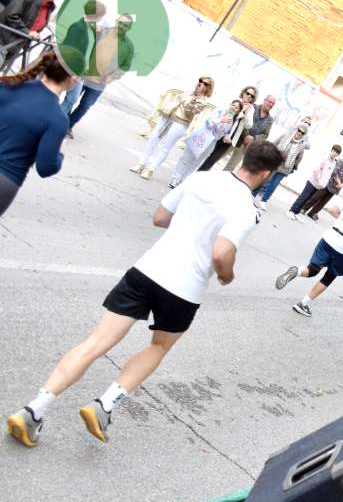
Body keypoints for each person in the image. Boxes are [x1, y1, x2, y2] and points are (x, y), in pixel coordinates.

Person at [6, 141, 284, 447]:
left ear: (245, 159)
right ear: (267, 175)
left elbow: (160, 217)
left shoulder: (201, 178)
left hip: (148, 269)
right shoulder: (247, 208)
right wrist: (226, 275)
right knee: (158, 347)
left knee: (96, 342)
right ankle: (104, 405)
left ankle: (34, 408)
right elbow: (221, 253)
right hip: (183, 289)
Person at [275, 184, 343, 317]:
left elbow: (332, 209)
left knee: (312, 269)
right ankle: (302, 304)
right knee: (328, 278)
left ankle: (296, 271)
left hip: (329, 237)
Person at [0, 52, 74, 217]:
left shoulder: (10, 83)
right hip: (6, 178)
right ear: (73, 80)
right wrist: (60, 154)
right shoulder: (57, 118)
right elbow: (46, 168)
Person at [60, 11, 135, 136]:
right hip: (84, 75)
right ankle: (61, 123)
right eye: (120, 23)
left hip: (100, 82)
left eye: (125, 25)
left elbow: (126, 65)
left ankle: (69, 125)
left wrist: (114, 76)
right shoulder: (101, 31)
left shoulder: (128, 46)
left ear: (129, 28)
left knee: (85, 106)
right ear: (116, 21)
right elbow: (86, 29)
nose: (122, 26)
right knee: (71, 99)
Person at [131, 77, 214, 180]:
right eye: (200, 81)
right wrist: (189, 96)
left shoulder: (203, 102)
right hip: (167, 116)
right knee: (153, 139)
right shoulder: (189, 92)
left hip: (180, 123)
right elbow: (177, 99)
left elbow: (189, 112)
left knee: (165, 147)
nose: (201, 84)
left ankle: (151, 169)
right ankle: (141, 164)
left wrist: (193, 101)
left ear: (208, 88)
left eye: (205, 84)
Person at [168, 99, 242, 188]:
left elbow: (224, 132)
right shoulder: (219, 111)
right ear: (230, 104)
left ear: (238, 111)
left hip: (211, 143)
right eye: (233, 105)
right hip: (201, 137)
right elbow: (208, 123)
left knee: (196, 162)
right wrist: (221, 120)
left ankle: (183, 181)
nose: (234, 108)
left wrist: (226, 136)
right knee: (186, 158)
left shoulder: (231, 121)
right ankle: (175, 178)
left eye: (237, 108)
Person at [1, 0, 63, 71]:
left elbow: (37, 23)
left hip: (18, 44)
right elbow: (11, 15)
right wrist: (28, 32)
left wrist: (35, 34)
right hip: (4, 39)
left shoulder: (51, 7)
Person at [196, 86, 257, 172]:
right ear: (243, 92)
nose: (249, 96)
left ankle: (199, 175)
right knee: (202, 153)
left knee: (212, 159)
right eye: (248, 93)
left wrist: (244, 112)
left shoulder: (250, 109)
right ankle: (189, 172)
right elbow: (222, 112)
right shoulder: (235, 101)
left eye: (252, 96)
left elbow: (248, 125)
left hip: (228, 138)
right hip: (217, 132)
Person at [256, 121, 309, 206]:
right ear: (296, 129)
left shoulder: (301, 146)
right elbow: (273, 144)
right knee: (265, 179)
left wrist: (293, 166)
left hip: (285, 167)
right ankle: (253, 194)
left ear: (303, 135)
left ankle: (264, 201)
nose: (299, 133)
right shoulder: (285, 136)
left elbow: (298, 159)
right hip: (274, 162)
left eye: (302, 133)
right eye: (299, 130)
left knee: (273, 185)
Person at [221, 94, 275, 171]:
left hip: (246, 146)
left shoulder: (270, 120)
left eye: (273, 103)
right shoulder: (252, 107)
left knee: (231, 167)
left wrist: (254, 138)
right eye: (270, 102)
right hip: (236, 138)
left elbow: (265, 134)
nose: (271, 104)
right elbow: (242, 120)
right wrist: (247, 135)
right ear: (264, 100)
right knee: (219, 156)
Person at [289, 144, 340, 220]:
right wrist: (319, 180)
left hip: (319, 185)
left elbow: (328, 174)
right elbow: (316, 170)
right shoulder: (325, 158)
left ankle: (296, 213)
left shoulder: (334, 163)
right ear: (331, 150)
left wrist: (323, 184)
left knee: (308, 199)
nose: (334, 153)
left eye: (337, 153)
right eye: (334, 151)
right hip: (313, 182)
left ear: (338, 154)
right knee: (303, 197)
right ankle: (291, 211)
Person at [302, 150, 343, 220]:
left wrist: (342, 185)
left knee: (324, 201)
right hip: (329, 183)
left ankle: (313, 213)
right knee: (316, 197)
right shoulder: (340, 161)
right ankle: (304, 208)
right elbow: (334, 172)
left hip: (336, 188)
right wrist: (339, 183)